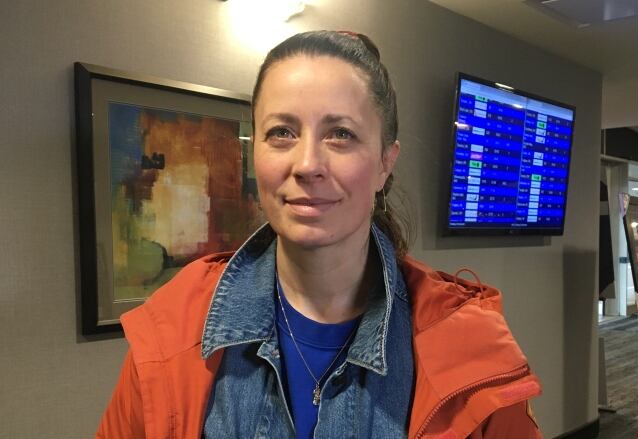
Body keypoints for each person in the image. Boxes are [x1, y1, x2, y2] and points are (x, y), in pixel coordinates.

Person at [96, 31, 542, 438]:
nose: (307, 164)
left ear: (386, 162)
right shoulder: (172, 330)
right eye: (282, 132)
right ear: (256, 157)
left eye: (340, 134)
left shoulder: (469, 348)